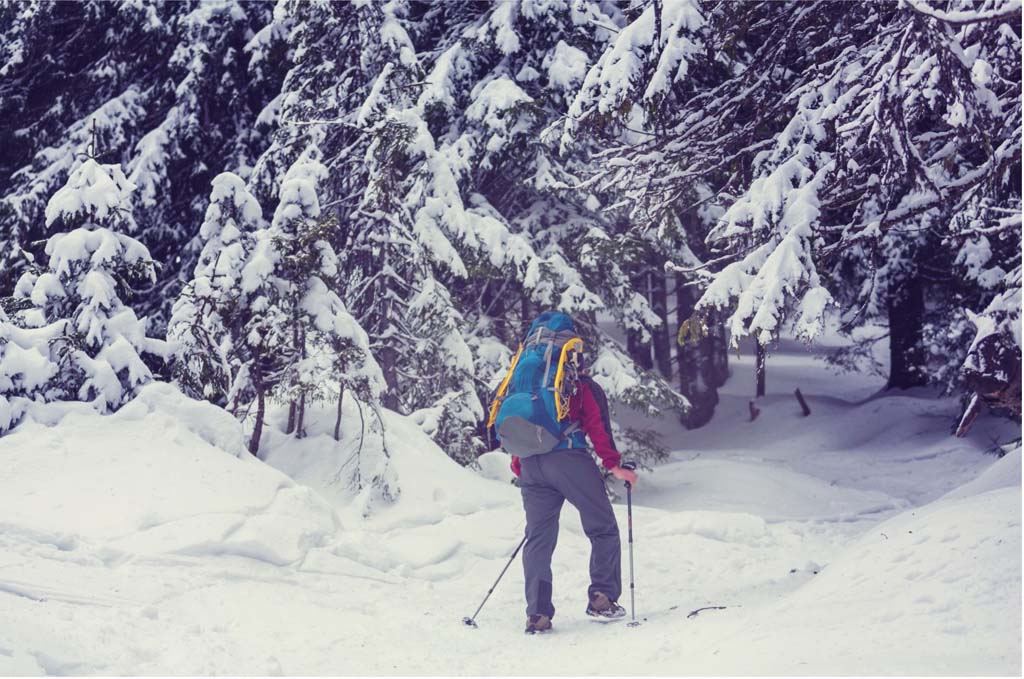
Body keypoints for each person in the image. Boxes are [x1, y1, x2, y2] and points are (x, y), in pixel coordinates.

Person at [497, 312, 638, 635]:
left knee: (538, 539)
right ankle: (602, 598)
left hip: (530, 465)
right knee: (602, 527)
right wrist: (615, 466)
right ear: (572, 350)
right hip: (569, 460)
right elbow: (598, 430)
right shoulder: (580, 386)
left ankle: (537, 614)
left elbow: (523, 426)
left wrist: (521, 462)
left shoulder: (524, 383)